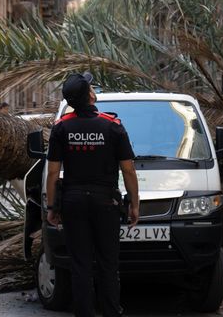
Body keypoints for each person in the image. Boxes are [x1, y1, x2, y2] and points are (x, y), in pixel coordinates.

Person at [45, 72, 139, 317]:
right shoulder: (112, 126)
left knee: (80, 265)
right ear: (89, 95)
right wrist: (135, 204)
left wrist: (52, 207)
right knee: (108, 264)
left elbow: (53, 173)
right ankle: (110, 312)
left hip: (73, 202)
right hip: (105, 202)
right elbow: (128, 170)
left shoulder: (61, 128)